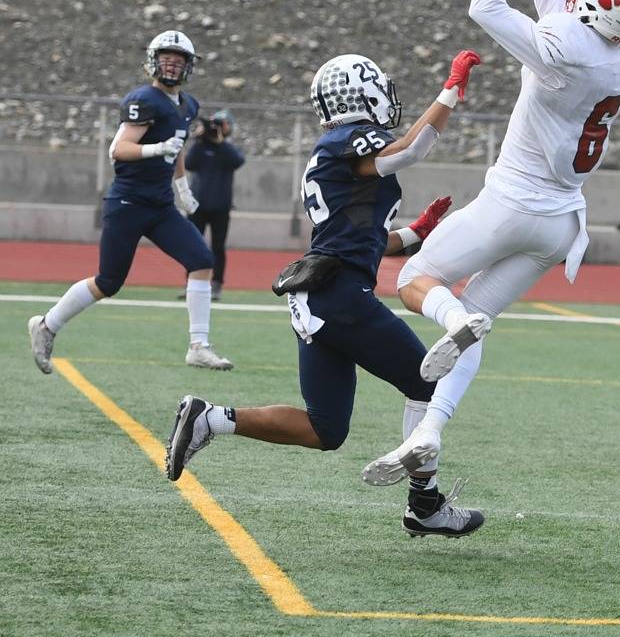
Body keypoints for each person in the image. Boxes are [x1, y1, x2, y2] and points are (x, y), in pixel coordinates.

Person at [363, 0, 620, 487]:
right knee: (475, 322)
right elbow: (560, 19)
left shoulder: (565, 50)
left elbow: (486, 8)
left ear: (599, 7)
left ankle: (453, 323)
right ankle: (429, 431)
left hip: (512, 204)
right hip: (562, 225)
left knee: (413, 279)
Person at [165, 50, 486, 538]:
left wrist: (417, 232)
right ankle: (425, 505)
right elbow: (410, 150)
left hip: (316, 297)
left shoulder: (333, 150)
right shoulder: (347, 140)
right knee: (429, 385)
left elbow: (362, 240)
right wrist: (450, 90)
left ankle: (211, 419)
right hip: (341, 296)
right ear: (362, 93)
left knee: (325, 429)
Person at [28, 30, 233, 373]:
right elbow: (118, 149)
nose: (171, 65)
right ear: (153, 62)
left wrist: (182, 188)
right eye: (166, 58)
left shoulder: (188, 105)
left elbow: (177, 148)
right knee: (108, 282)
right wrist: (156, 149)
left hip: (160, 204)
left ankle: (199, 346)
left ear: (189, 66)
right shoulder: (144, 99)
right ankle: (46, 325)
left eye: (178, 60)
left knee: (201, 259)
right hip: (128, 202)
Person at [178, 109, 245, 301]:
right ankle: (191, 282)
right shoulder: (200, 147)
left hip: (221, 206)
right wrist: (197, 140)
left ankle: (216, 284)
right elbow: (189, 164)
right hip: (197, 205)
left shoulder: (228, 149)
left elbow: (238, 161)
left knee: (218, 246)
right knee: (193, 244)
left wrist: (220, 143)